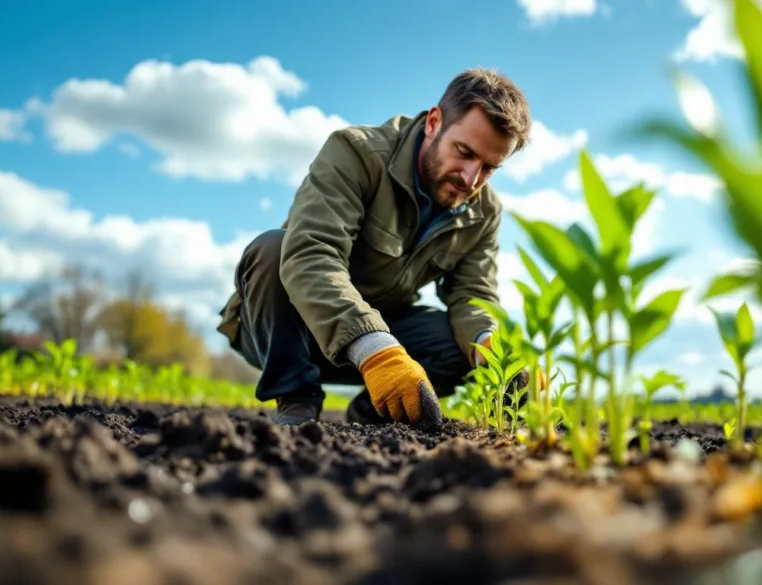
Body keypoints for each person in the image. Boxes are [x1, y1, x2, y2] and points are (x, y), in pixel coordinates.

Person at [215, 67, 532, 428]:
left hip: (382, 332)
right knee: (273, 249)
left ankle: (376, 413)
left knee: (460, 346)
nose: (470, 178)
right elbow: (312, 253)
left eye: (489, 168)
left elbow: (473, 293)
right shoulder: (357, 152)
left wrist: (488, 343)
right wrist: (375, 349)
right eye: (463, 152)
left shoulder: (484, 210)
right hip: (284, 329)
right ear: (433, 122)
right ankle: (296, 401)